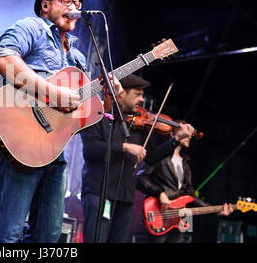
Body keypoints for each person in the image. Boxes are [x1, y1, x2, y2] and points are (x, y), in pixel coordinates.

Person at [0, 0, 106, 243]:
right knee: (9, 231)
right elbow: (3, 58)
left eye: (78, 3)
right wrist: (53, 93)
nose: (74, 6)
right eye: (66, 0)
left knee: (49, 236)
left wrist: (108, 94)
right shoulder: (32, 27)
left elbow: (79, 110)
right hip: (22, 140)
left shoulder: (77, 56)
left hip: (56, 151)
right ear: (45, 6)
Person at [80, 74, 196, 243]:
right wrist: (124, 147)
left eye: (142, 94)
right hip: (100, 192)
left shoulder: (139, 126)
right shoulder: (97, 116)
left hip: (126, 197)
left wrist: (175, 139)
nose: (142, 99)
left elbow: (151, 158)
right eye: (137, 94)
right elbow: (91, 149)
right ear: (121, 94)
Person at [136, 122, 233, 243]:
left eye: (190, 133)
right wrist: (160, 193)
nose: (190, 135)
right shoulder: (159, 156)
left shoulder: (186, 163)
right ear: (172, 134)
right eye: (186, 131)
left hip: (182, 215)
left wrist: (215, 209)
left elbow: (190, 195)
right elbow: (140, 178)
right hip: (160, 211)